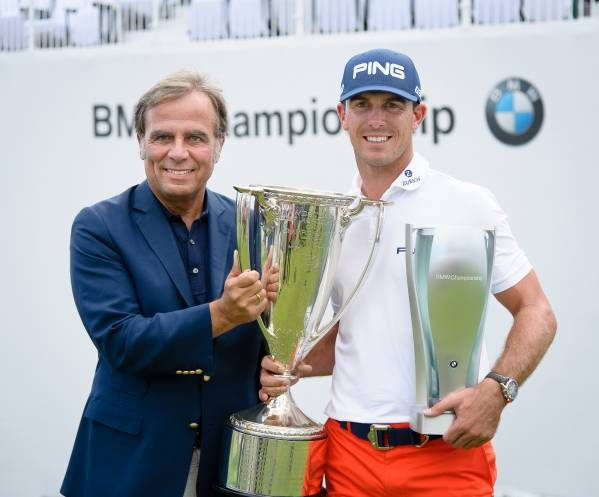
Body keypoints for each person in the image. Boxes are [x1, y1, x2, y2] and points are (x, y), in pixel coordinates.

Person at [260, 48, 557, 497]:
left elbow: (537, 311)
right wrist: (292, 364)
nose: (376, 119)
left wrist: (497, 392)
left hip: (446, 452)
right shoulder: (332, 219)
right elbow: (352, 333)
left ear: (418, 114)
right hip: (348, 453)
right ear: (342, 114)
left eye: (392, 105)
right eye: (362, 104)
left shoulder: (467, 202)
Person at [61, 70, 272, 497]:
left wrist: (275, 366)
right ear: (141, 142)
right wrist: (220, 315)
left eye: (195, 137)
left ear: (218, 145)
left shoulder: (251, 223)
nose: (178, 153)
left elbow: (268, 333)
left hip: (230, 464)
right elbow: (122, 340)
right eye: (162, 137)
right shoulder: (99, 226)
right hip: (131, 465)